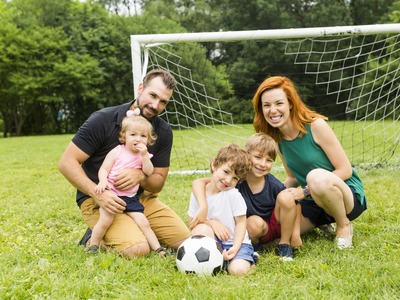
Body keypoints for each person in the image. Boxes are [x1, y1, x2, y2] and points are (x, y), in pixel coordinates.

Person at [59, 69, 190, 258]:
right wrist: (98, 195)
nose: (155, 105)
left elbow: (158, 181)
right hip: (100, 199)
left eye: (163, 102)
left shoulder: (163, 131)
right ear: (140, 88)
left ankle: (133, 230)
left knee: (184, 241)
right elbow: (67, 162)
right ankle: (95, 237)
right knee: (138, 249)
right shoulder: (103, 119)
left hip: (138, 199)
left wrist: (140, 176)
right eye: (152, 95)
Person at [251, 76, 368, 249]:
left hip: (346, 195)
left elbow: (345, 170)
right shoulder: (277, 140)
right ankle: (322, 221)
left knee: (316, 178)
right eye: (266, 105)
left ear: (290, 103)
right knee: (274, 239)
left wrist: (305, 191)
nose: (273, 110)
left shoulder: (316, 126)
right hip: (314, 199)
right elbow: (292, 177)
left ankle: (343, 225)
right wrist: (274, 196)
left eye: (279, 103)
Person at [192, 133, 301, 261]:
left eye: (269, 160)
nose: (262, 164)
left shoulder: (273, 184)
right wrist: (203, 206)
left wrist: (295, 234)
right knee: (253, 223)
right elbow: (199, 182)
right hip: (252, 228)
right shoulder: (235, 180)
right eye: (258, 157)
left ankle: (284, 244)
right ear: (246, 155)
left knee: (286, 197)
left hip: (274, 225)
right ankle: (255, 247)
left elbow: (296, 204)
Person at [85, 113, 166, 256]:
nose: (138, 139)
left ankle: (158, 249)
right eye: (133, 134)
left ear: (148, 140)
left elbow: (149, 171)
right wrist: (103, 181)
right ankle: (93, 245)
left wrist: (145, 156)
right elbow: (104, 169)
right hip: (112, 196)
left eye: (143, 136)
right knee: (106, 220)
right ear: (124, 136)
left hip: (130, 197)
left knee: (143, 222)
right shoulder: (117, 151)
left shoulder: (143, 156)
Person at [188, 144, 255, 275]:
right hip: (213, 242)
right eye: (226, 172)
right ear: (214, 165)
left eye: (235, 178)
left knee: (238, 271)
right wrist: (211, 223)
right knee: (200, 229)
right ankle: (211, 261)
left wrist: (235, 248)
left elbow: (241, 223)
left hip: (236, 244)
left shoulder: (233, 194)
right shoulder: (199, 193)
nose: (228, 180)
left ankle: (248, 262)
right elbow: (191, 223)